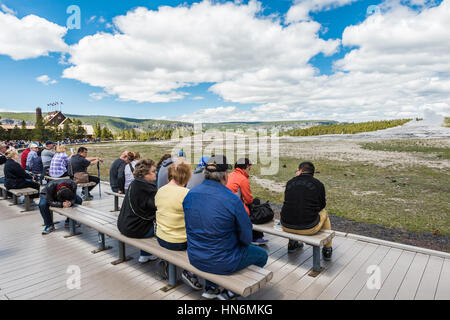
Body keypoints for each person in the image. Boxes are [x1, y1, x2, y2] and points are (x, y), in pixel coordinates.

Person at [183, 155, 268, 300]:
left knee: (214, 247)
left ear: (205, 173)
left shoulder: (190, 194)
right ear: (224, 175)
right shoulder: (232, 199)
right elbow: (247, 237)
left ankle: (211, 287)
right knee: (261, 255)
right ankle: (231, 292)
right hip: (223, 260)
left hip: (195, 256)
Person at [155, 158, 202, 290]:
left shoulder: (160, 191)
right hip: (180, 242)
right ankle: (190, 272)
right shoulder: (187, 194)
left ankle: (165, 261)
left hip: (161, 237)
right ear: (186, 176)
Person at [280, 161, 332, 260]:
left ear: (299, 171)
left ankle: (292, 243)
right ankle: (327, 249)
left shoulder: (290, 182)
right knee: (324, 213)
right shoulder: (318, 184)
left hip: (286, 225)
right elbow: (322, 205)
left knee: (293, 208)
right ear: (312, 173)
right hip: (309, 228)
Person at [117, 159, 158, 263]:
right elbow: (157, 207)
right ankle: (168, 257)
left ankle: (145, 254)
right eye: (153, 171)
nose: (156, 173)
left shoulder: (134, 183)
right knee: (165, 227)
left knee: (146, 220)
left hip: (124, 225)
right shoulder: (147, 188)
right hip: (135, 229)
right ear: (145, 174)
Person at [226, 158, 268, 246]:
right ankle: (256, 236)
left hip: (226, 205)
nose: (249, 170)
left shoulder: (230, 175)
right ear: (246, 167)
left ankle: (255, 235)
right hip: (236, 208)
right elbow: (249, 200)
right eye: (249, 168)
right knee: (255, 204)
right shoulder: (242, 179)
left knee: (254, 202)